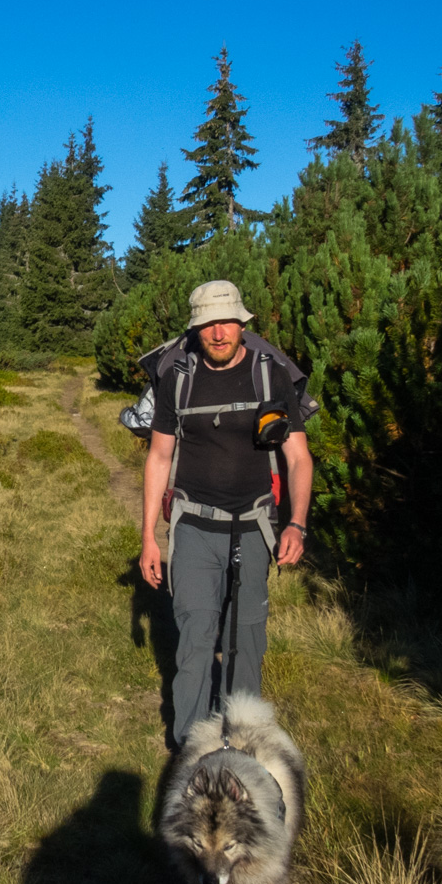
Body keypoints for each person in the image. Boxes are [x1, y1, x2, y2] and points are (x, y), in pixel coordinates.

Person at [138, 279, 313, 748]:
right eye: (208, 324)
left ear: (242, 323)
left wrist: (296, 523)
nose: (219, 333)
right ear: (196, 329)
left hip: (255, 528)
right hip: (194, 527)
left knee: (246, 643)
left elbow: (298, 457)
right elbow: (158, 458)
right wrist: (150, 538)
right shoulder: (180, 377)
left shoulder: (268, 373)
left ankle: (243, 748)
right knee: (196, 641)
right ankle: (193, 753)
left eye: (227, 323)